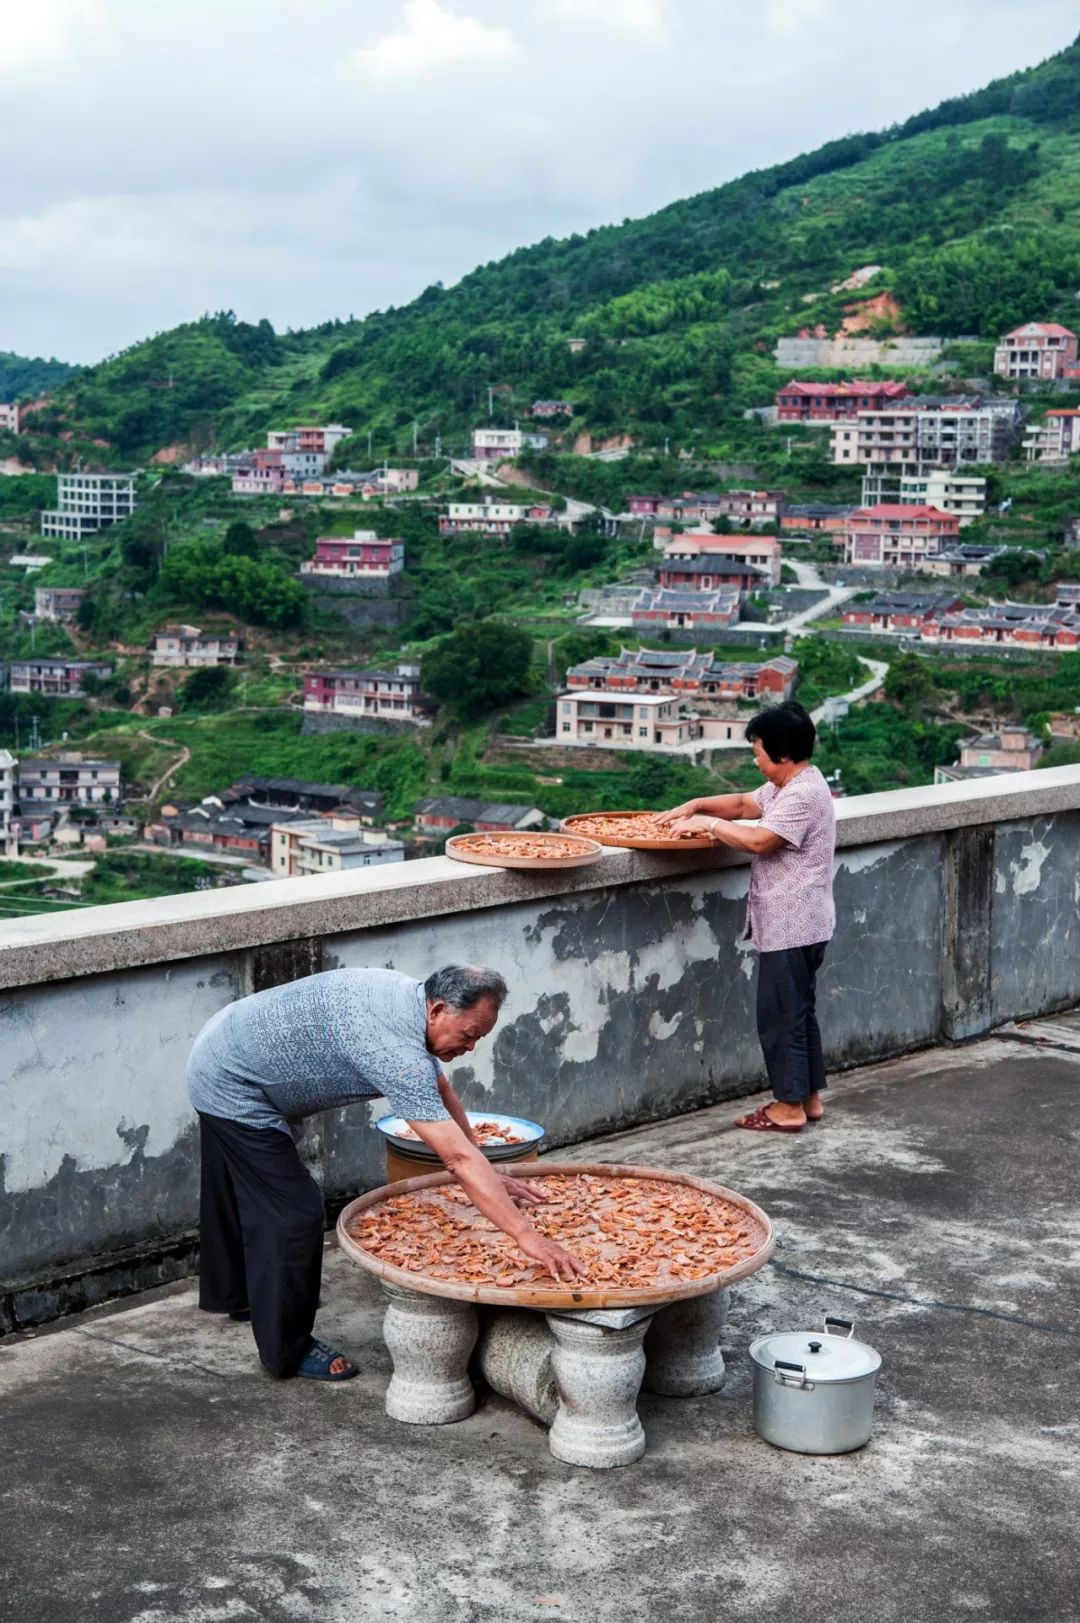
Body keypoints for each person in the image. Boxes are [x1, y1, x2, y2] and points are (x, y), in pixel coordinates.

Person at [187, 963, 586, 1382]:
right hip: (232, 1083)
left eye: (478, 1038)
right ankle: (287, 1349)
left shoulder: (406, 1004)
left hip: (225, 1040)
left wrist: (484, 1166)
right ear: (437, 1010)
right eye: (468, 1035)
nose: (470, 1047)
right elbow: (456, 1160)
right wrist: (527, 1235)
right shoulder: (397, 1053)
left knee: (236, 1185)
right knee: (294, 1214)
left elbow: (443, 1092)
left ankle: (241, 1294)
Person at [658, 700, 836, 1135]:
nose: (755, 761)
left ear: (783, 753)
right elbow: (741, 804)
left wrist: (707, 827)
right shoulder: (787, 786)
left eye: (758, 753)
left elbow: (759, 840)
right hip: (800, 921)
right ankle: (808, 1098)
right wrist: (696, 805)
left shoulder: (804, 794)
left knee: (779, 1016)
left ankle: (787, 1106)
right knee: (797, 1011)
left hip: (793, 923)